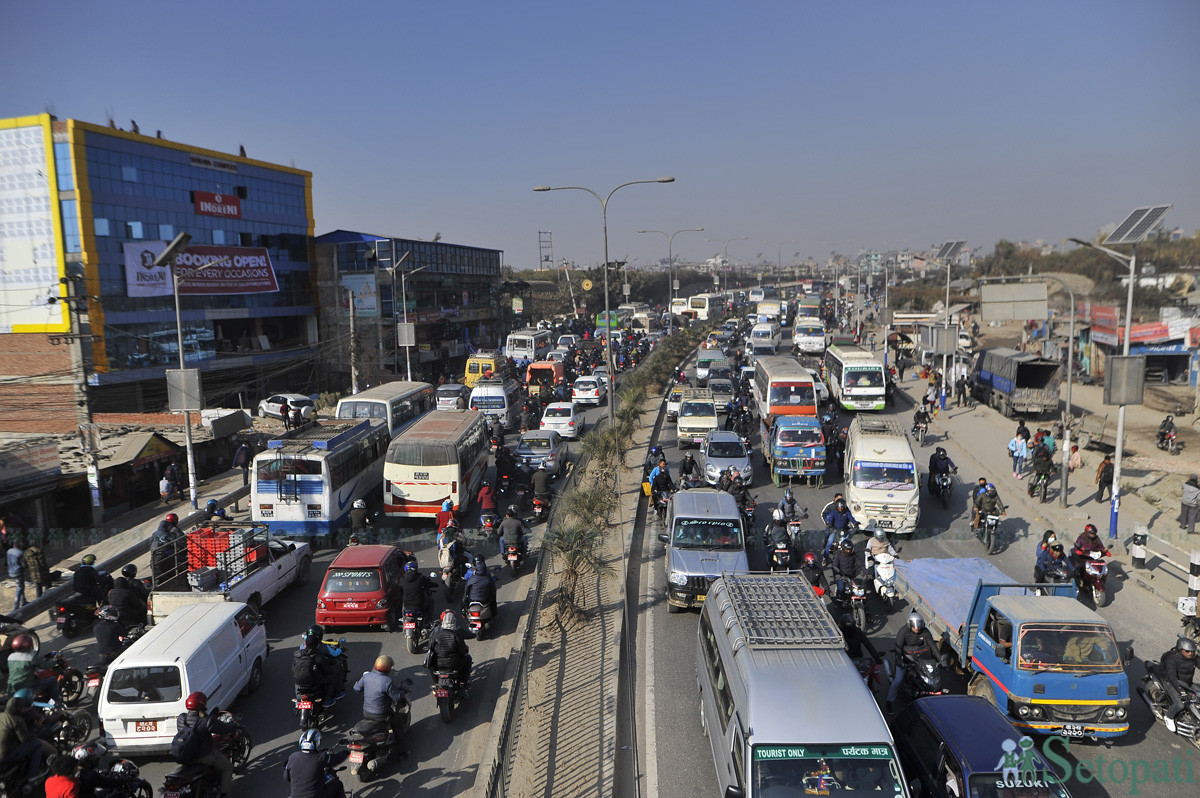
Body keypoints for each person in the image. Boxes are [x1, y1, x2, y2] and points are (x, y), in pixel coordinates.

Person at [175, 691, 238, 797]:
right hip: (204, 756)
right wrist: (233, 725)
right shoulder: (207, 720)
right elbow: (224, 729)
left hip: (185, 756)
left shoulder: (182, 718)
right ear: (202, 704)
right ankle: (223, 794)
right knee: (228, 768)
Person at [886, 612, 940, 712]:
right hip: (905, 659)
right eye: (915, 627)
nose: (917, 629)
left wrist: (940, 659)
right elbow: (898, 648)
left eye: (919, 626)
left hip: (920, 659)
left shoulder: (925, 632)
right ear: (910, 624)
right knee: (898, 680)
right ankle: (889, 702)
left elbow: (932, 645)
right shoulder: (903, 631)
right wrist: (899, 660)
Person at [0, 696, 54, 783]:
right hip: (7, 753)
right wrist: (36, 727)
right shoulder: (17, 720)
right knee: (37, 745)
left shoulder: (1, 715)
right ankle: (32, 775)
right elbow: (26, 739)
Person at [285, 729, 349, 798]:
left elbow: (286, 778)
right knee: (338, 784)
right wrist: (347, 751)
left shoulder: (292, 757)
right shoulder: (320, 757)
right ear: (317, 743)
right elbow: (337, 759)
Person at [293, 627, 342, 707]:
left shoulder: (298, 654)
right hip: (315, 680)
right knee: (332, 678)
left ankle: (299, 700)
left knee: (297, 682)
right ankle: (328, 700)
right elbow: (327, 670)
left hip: (299, 680)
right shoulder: (319, 656)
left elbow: (293, 668)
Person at [427, 610, 473, 687]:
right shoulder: (456, 635)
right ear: (454, 622)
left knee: (430, 665)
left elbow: (430, 648)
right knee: (468, 659)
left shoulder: (436, 634)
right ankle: (463, 682)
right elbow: (462, 651)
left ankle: (435, 683)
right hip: (453, 665)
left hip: (438, 665)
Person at [1158, 637, 1197, 726]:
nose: (1190, 653)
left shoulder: (1193, 657)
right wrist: (1180, 690)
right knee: (1180, 705)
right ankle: (1168, 717)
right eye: (1187, 651)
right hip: (1171, 683)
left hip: (1187, 683)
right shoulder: (1171, 658)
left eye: (1192, 651)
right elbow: (1172, 675)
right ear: (1180, 650)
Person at [150, 513, 185, 589]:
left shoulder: (154, 534)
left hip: (155, 560)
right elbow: (178, 544)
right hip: (166, 561)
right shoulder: (170, 535)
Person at [6, 538, 26, 612]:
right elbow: (23, 564)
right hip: (18, 572)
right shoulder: (20, 553)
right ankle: (16, 606)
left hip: (11, 571)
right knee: (19, 588)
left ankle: (24, 601)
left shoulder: (9, 551)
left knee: (21, 586)